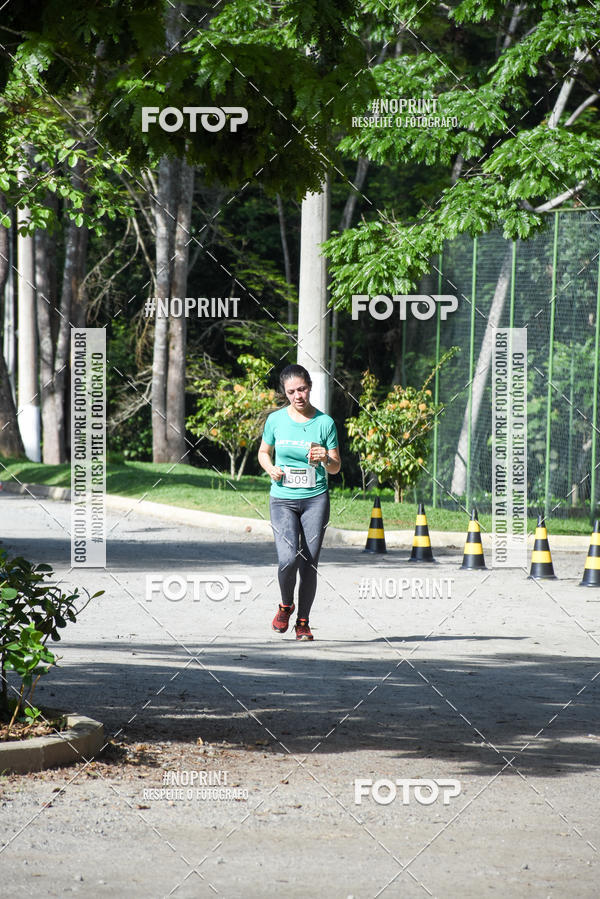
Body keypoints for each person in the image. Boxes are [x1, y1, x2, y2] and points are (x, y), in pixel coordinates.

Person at [258, 364, 341, 640]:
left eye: (302, 389)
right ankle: (285, 605)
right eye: (292, 391)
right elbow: (263, 453)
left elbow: (336, 467)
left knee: (309, 563)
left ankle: (303, 622)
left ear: (310, 388)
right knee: (287, 559)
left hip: (315, 499)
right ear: (285, 392)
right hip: (282, 499)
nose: (298, 396)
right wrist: (270, 469)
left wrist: (325, 458)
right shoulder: (275, 420)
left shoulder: (325, 423)